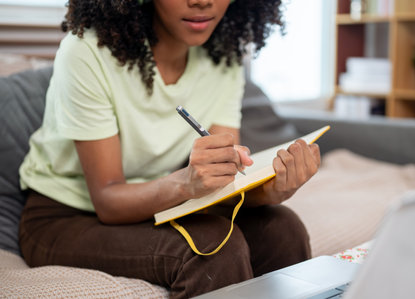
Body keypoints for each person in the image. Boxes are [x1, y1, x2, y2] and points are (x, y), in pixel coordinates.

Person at [18, 0, 321, 298]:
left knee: (282, 228)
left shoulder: (224, 56)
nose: (202, 2)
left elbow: (227, 182)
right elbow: (108, 200)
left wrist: (272, 192)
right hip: (63, 216)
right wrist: (185, 182)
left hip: (155, 205)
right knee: (212, 248)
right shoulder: (85, 51)